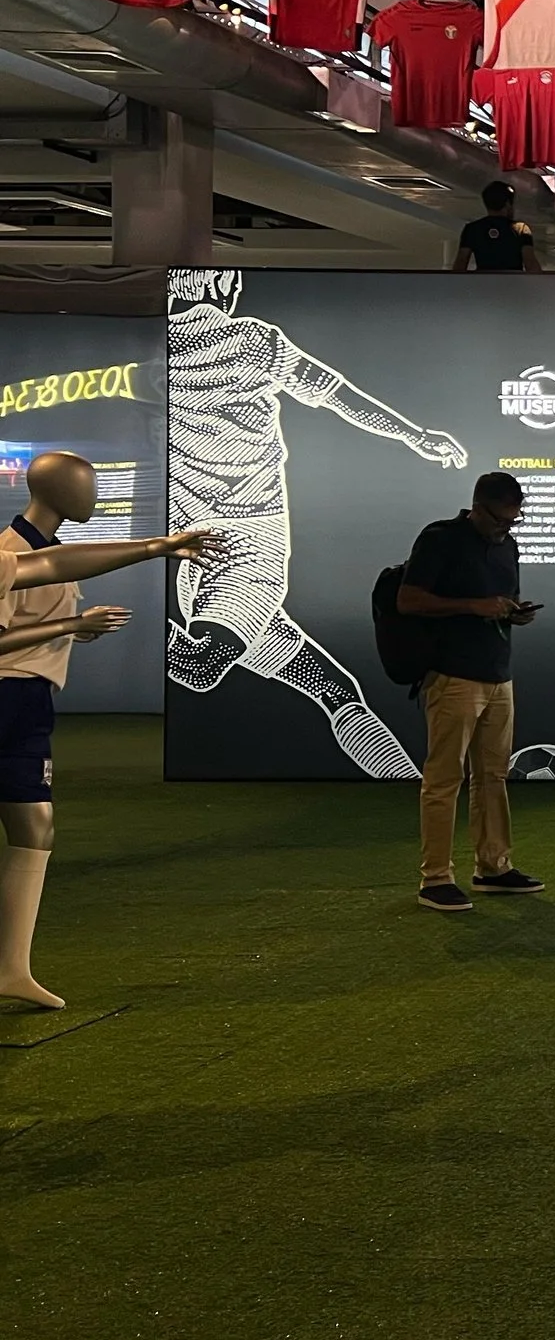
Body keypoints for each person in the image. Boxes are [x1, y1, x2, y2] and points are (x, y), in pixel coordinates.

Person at [166, 267, 468, 776]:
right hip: (247, 549)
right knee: (202, 665)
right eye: (233, 284)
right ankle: (117, 628)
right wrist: (414, 435)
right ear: (219, 286)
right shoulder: (253, 340)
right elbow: (338, 396)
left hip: (195, 548)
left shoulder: (160, 354)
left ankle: (405, 783)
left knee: (333, 687)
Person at [0, 476, 218, 1010]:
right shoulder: (8, 549)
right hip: (7, 696)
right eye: (86, 484)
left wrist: (157, 547)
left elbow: (53, 565)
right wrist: (71, 624)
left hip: (28, 702)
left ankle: (12, 969)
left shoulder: (29, 554)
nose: (94, 495)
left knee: (35, 822)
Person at [397, 471, 543, 913]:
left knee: (493, 775)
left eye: (514, 521)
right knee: (444, 778)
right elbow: (408, 600)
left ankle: (493, 867)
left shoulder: (508, 547)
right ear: (477, 508)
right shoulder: (440, 538)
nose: (506, 529)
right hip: (452, 675)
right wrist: (473, 607)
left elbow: (501, 600)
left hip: (498, 673)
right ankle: (435, 878)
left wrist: (514, 613)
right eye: (500, 520)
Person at [452, 180, 542, 273]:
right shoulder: (521, 228)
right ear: (507, 204)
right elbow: (530, 264)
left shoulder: (472, 229)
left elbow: (460, 264)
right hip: (513, 281)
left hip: (483, 280)